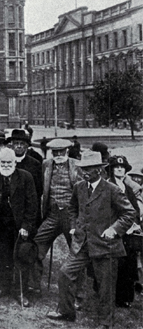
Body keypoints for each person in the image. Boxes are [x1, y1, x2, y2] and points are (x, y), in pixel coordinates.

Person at [47, 151, 136, 327]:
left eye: (88, 169)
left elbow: (129, 213)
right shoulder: (79, 187)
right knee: (65, 273)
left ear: (99, 170)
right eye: (82, 169)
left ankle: (106, 323)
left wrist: (114, 229)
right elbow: (72, 208)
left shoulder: (112, 190)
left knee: (105, 288)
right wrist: (74, 225)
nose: (84, 172)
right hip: (82, 244)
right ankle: (66, 312)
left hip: (105, 245)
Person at [0, 147, 38, 306]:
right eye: (2, 162)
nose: (5, 165)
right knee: (2, 257)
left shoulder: (26, 177)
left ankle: (20, 292)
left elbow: (32, 205)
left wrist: (26, 225)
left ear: (15, 162)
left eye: (9, 162)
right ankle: (3, 287)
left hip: (19, 226)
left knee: (20, 257)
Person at [32, 138, 83, 294]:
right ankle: (33, 286)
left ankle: (77, 294)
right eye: (55, 152)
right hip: (53, 214)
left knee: (77, 252)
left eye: (61, 151)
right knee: (36, 245)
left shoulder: (77, 166)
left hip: (71, 216)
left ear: (67, 151)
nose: (58, 155)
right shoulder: (46, 165)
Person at [104, 155, 140, 308]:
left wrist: (134, 222)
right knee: (114, 263)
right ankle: (110, 295)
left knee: (129, 262)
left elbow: (134, 209)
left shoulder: (127, 187)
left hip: (128, 229)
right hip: (113, 227)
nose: (119, 169)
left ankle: (125, 297)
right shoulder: (108, 186)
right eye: (116, 167)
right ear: (111, 170)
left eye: (122, 167)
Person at [8, 129, 44, 204]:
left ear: (26, 146)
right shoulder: (5, 162)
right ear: (11, 145)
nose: (19, 146)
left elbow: (39, 189)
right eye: (16, 143)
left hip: (28, 205)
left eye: (22, 143)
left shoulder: (35, 164)